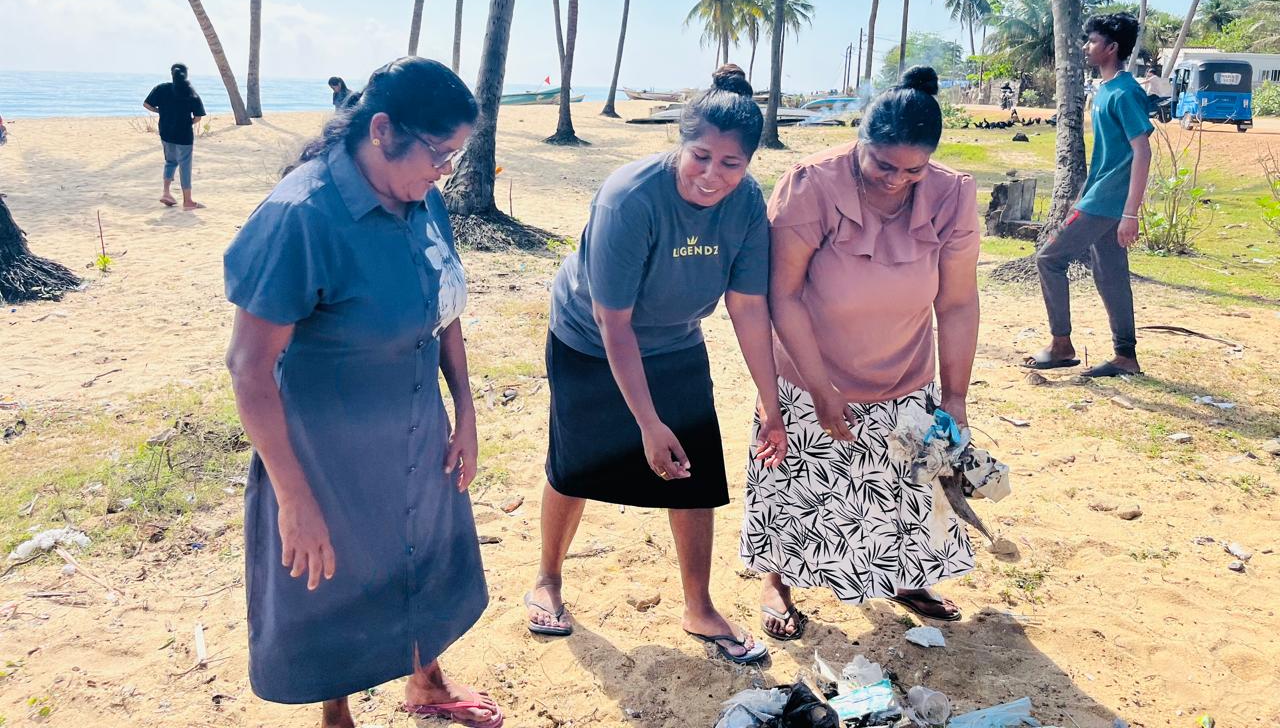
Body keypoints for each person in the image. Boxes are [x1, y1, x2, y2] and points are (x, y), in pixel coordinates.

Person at [224, 58, 503, 728]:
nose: (445, 172)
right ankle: (336, 714)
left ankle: (427, 683)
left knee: (423, 555)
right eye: (439, 154)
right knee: (333, 580)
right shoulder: (299, 216)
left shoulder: (423, 195)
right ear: (382, 131)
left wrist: (464, 412)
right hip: (326, 450)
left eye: (454, 157)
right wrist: (294, 498)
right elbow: (249, 368)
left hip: (417, 424)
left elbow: (444, 308)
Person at [526, 64, 787, 664]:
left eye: (731, 163)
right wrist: (647, 423)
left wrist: (771, 404)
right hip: (589, 340)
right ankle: (547, 579)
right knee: (575, 466)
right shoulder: (630, 197)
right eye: (701, 156)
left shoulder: (747, 204)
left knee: (695, 474)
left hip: (674, 339)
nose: (712, 175)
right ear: (680, 144)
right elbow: (613, 322)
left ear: (750, 162)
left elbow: (749, 307)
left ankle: (699, 606)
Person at [741, 65, 982, 638]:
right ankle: (776, 581)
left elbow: (956, 303)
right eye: (883, 165)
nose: (897, 181)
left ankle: (906, 577)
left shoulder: (951, 194)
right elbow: (783, 294)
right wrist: (819, 389)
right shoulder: (811, 184)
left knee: (906, 487)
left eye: (914, 170)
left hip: (906, 371)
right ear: (861, 141)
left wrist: (955, 397)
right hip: (811, 371)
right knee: (798, 487)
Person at [1025, 13, 1153, 379]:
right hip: (1099, 197)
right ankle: (1125, 356)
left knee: (1049, 259)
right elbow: (1106, 156)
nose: (1086, 47)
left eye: (1092, 41)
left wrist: (1131, 213)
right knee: (1110, 273)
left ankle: (1061, 345)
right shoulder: (1105, 91)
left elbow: (1142, 152)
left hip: (1109, 202)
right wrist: (1079, 197)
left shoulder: (1125, 92)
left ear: (1111, 48)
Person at [144, 63, 206, 209]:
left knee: (170, 161)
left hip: (166, 132)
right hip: (184, 135)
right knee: (185, 166)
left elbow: (146, 104)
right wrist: (188, 122)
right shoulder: (191, 93)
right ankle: (188, 201)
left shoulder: (161, 88)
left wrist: (160, 111)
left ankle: (166, 193)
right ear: (186, 75)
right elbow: (198, 117)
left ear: (172, 74)